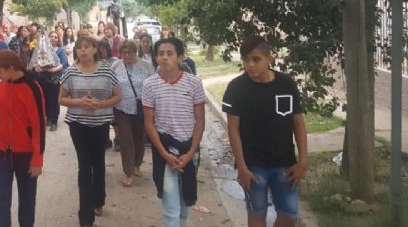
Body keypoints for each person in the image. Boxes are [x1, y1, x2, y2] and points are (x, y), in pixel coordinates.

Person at [222, 36, 308, 227]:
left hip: (285, 164)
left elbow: (298, 122)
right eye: (246, 60)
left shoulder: (286, 84)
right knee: (256, 213)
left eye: (256, 59)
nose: (250, 65)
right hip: (253, 166)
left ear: (269, 58)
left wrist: (303, 159)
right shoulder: (236, 88)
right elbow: (233, 130)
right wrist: (242, 167)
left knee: (289, 214)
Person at [141, 37, 206, 227]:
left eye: (170, 54)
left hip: (189, 150)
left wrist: (191, 152)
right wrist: (165, 154)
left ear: (180, 57)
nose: (164, 58)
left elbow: (200, 120)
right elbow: (149, 123)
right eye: (160, 54)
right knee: (171, 212)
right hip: (165, 151)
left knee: (185, 207)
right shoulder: (150, 84)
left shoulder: (194, 83)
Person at [0, 50, 45, 227]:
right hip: (0, 150)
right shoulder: (4, 83)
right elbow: (2, 110)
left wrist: (37, 158)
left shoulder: (33, 88)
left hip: (26, 153)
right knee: (2, 196)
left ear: (12, 68)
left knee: (27, 198)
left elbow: (39, 126)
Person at [58, 35, 122, 227]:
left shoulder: (106, 70)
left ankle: (99, 199)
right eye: (79, 48)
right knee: (84, 167)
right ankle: (85, 218)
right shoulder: (70, 72)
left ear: (95, 49)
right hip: (78, 124)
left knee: (98, 163)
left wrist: (100, 104)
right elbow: (61, 99)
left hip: (101, 123)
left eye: (87, 47)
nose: (83, 50)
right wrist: (79, 102)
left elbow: (118, 95)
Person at [113, 40, 155, 187]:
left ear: (135, 52)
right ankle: (128, 172)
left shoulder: (146, 66)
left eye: (129, 52)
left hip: (142, 108)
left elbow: (153, 87)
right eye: (123, 52)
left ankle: (137, 164)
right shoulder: (116, 66)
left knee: (140, 137)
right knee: (125, 138)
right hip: (122, 108)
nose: (126, 55)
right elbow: (111, 85)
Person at [35, 31, 67, 132]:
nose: (53, 38)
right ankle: (48, 118)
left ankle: (54, 121)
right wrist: (37, 68)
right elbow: (36, 61)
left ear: (58, 39)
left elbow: (64, 62)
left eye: (55, 37)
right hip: (43, 78)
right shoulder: (42, 50)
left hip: (54, 79)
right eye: (51, 37)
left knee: (54, 100)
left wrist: (55, 69)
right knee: (45, 98)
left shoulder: (60, 50)